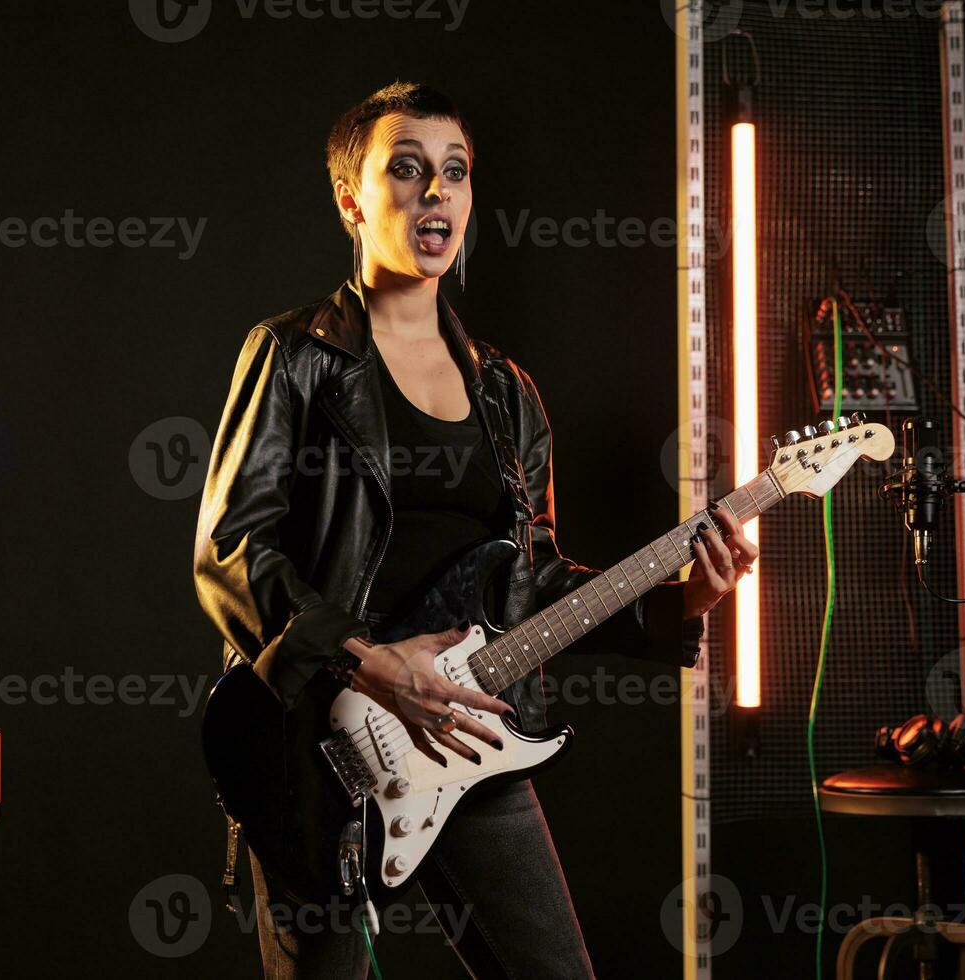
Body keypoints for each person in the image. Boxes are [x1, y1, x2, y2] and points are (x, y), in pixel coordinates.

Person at [193, 81, 757, 979]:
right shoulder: (294, 358)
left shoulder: (507, 392)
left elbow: (533, 584)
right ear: (351, 197)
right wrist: (370, 662)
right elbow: (231, 553)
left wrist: (684, 593)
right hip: (318, 749)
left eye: (454, 172)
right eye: (407, 169)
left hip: (475, 739)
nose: (437, 193)